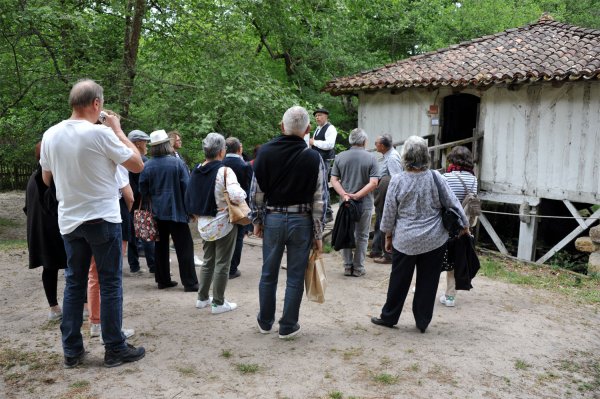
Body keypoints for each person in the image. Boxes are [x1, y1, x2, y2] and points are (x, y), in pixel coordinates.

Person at [40, 78, 145, 368]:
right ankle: (114, 348)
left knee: (74, 283)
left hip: (70, 220)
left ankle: (72, 351)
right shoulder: (100, 134)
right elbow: (137, 164)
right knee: (110, 283)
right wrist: (118, 130)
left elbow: (47, 178)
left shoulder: (50, 134)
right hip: (102, 217)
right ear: (97, 104)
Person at [371, 135, 468, 333]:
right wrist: (465, 224)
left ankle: (389, 317)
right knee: (428, 281)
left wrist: (387, 237)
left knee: (399, 279)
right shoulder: (435, 177)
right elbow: (452, 202)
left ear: (405, 156)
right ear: (426, 155)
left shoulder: (397, 180)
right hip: (434, 239)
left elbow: (389, 213)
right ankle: (422, 321)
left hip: (405, 239)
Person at [251, 106, 328, 339]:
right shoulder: (314, 157)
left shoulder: (264, 153)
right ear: (307, 129)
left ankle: (265, 322)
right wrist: (318, 234)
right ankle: (288, 325)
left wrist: (257, 219)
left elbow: (256, 191)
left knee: (268, 273)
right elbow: (320, 199)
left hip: (273, 219)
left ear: (282, 127)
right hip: (301, 221)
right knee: (295, 275)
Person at [185, 133, 246, 314]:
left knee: (208, 261)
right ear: (221, 151)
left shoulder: (196, 169)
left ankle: (202, 298)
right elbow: (237, 195)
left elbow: (189, 194)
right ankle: (218, 302)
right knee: (222, 263)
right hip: (223, 222)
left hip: (204, 223)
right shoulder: (225, 171)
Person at [138, 130, 199, 292]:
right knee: (184, 247)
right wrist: (191, 210)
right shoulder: (177, 163)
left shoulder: (147, 165)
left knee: (160, 247)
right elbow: (187, 188)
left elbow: (142, 189)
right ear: (167, 144)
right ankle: (190, 283)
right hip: (176, 211)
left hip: (157, 213)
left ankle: (163, 280)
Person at [24, 142, 67, 321]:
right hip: (53, 229)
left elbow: (26, 208)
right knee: (72, 265)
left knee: (49, 267)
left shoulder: (33, 176)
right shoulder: (51, 177)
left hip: (38, 229)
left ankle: (54, 307)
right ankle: (84, 304)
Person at [330, 128, 379, 277]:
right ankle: (358, 268)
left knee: (346, 232)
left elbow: (333, 179)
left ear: (351, 141)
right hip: (364, 203)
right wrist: (357, 195)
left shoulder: (340, 157)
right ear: (364, 141)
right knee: (362, 235)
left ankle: (347, 266)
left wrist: (344, 194)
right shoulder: (371, 158)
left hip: (345, 203)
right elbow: (374, 182)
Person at [440, 146, 478, 307]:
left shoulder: (445, 177)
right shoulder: (473, 179)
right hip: (464, 225)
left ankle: (424, 287)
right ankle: (450, 297)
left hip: (446, 224)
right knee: (455, 259)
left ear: (451, 159)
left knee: (435, 257)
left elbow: (441, 202)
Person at [222, 137, 253, 279]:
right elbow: (249, 188)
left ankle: (222, 265)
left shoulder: (219, 163)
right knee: (239, 236)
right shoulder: (245, 166)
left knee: (223, 236)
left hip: (221, 206)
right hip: (239, 207)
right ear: (239, 149)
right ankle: (233, 268)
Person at [370, 134, 402, 264]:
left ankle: (387, 254)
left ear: (382, 146)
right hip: (383, 192)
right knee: (379, 220)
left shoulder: (392, 158)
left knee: (384, 220)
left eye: (376, 143)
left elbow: (396, 178)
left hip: (386, 194)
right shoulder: (388, 156)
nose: (375, 145)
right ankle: (377, 249)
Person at [126, 130, 155, 274]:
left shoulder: (125, 157)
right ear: (138, 143)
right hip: (141, 202)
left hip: (127, 201)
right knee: (146, 234)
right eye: (145, 142)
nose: (147, 145)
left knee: (131, 234)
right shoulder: (142, 161)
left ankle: (134, 266)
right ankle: (153, 266)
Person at [305, 108, 337, 222]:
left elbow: (329, 144)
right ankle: (326, 212)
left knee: (323, 185)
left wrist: (314, 142)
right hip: (317, 159)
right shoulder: (318, 129)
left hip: (325, 160)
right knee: (320, 185)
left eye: (319, 115)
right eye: (316, 116)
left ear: (326, 116)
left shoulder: (331, 128)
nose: (317, 118)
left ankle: (328, 213)